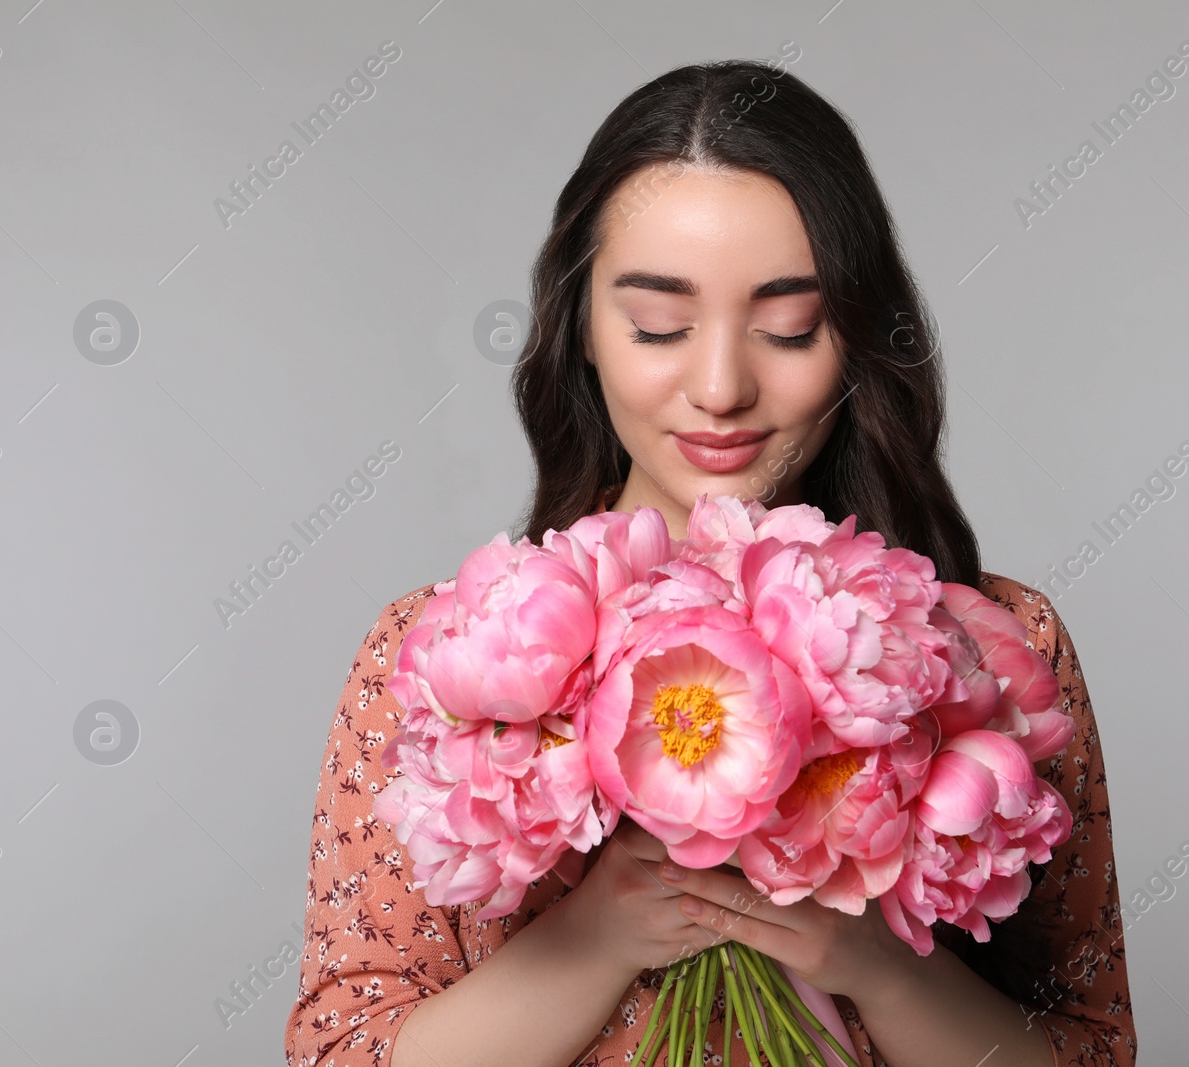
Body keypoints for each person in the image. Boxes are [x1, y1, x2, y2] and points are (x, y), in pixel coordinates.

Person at [284, 58, 1134, 1067]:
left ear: (857, 336)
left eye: (788, 326)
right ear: (583, 333)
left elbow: (1090, 1050)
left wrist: (881, 964)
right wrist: (596, 934)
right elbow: (342, 1049)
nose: (722, 385)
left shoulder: (993, 649)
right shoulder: (444, 657)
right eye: (660, 325)